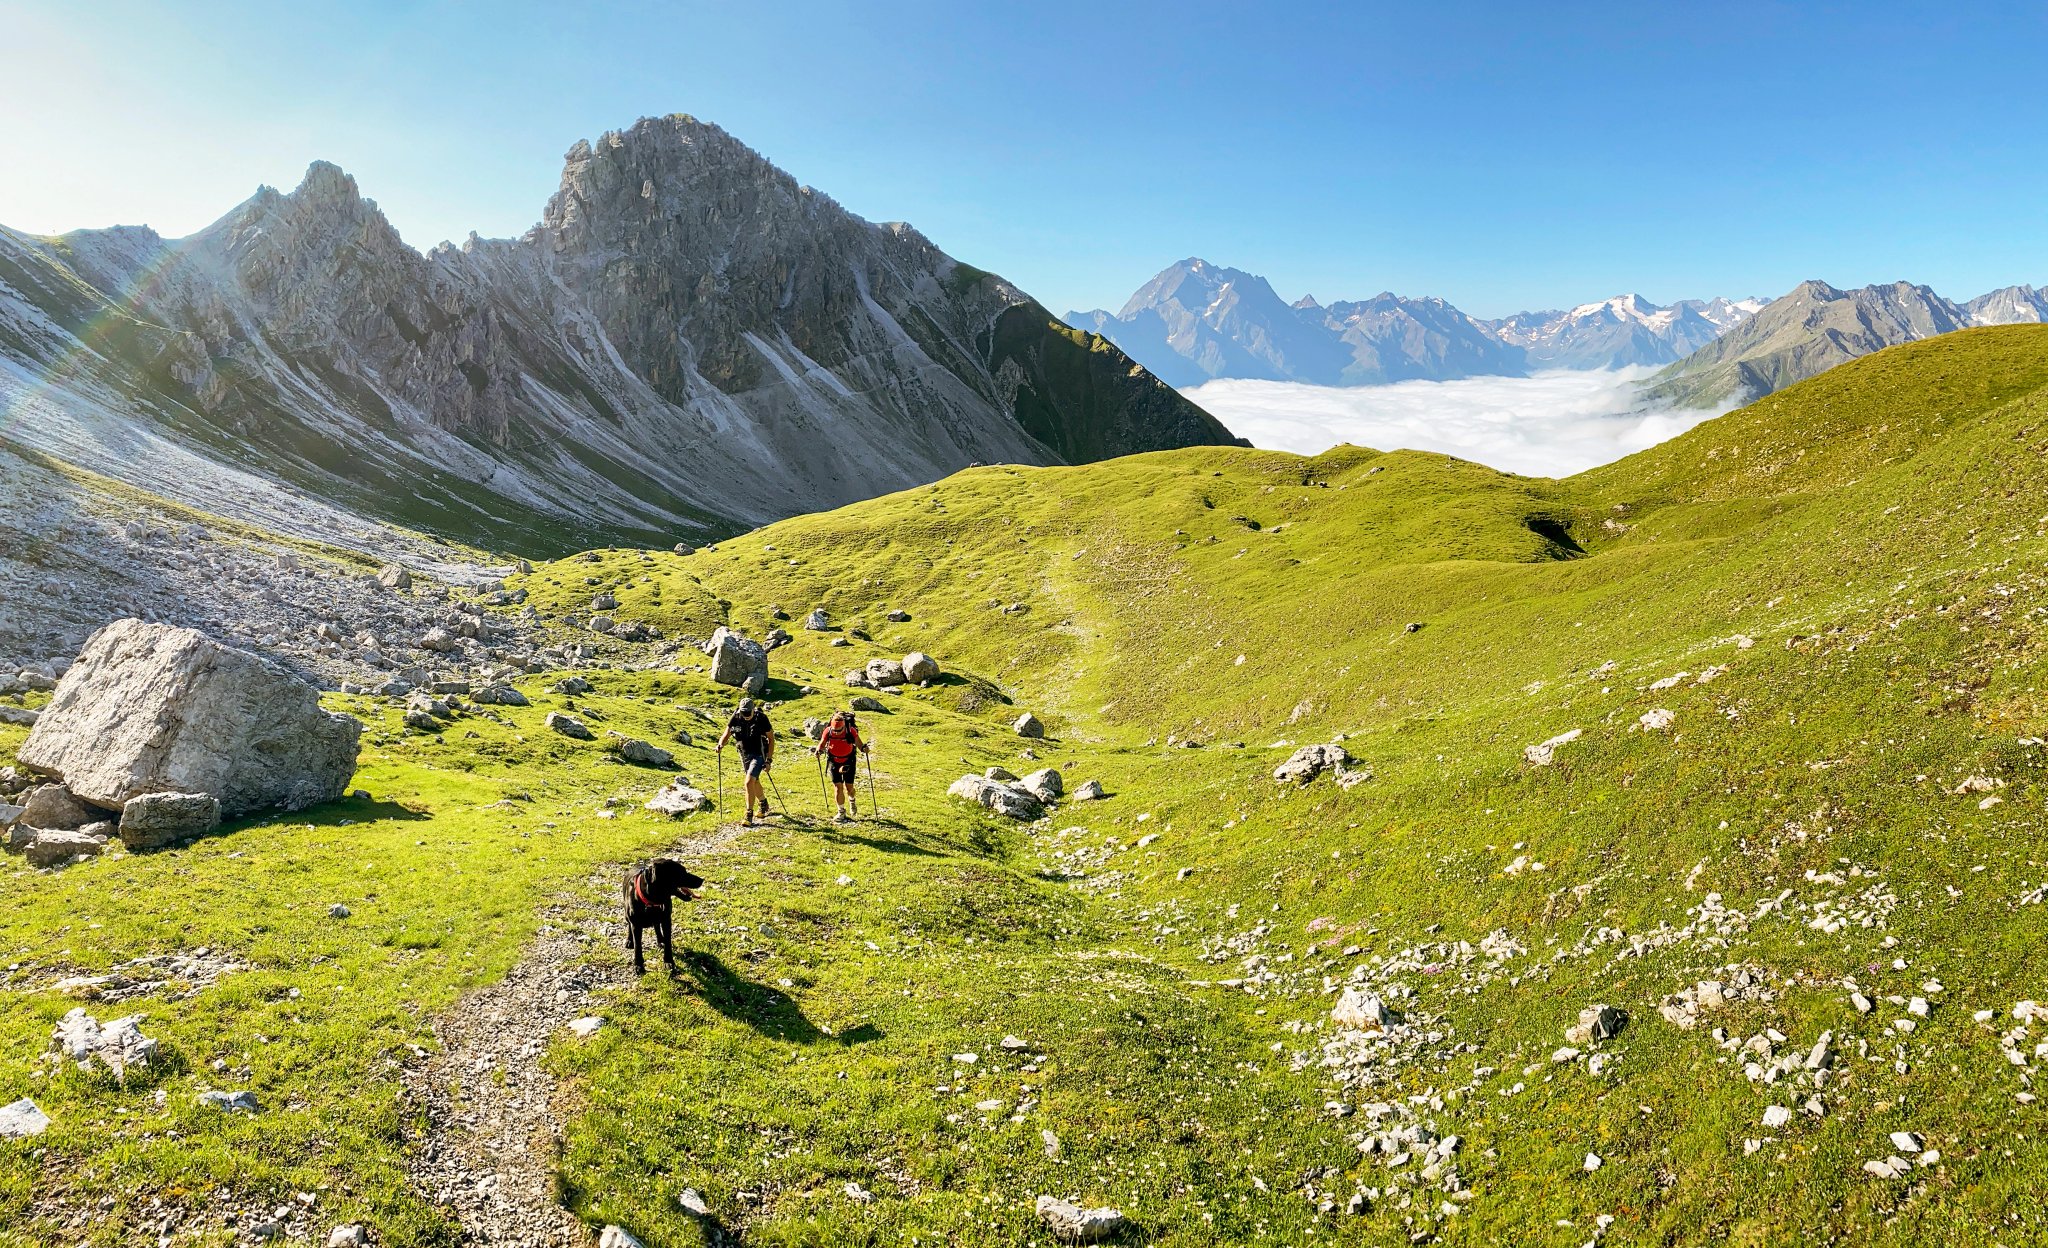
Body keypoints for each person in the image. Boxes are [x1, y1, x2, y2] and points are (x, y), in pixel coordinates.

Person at [717, 697, 776, 826]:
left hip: (759, 753)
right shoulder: (736, 717)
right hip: (744, 753)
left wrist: (769, 760)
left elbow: (771, 739)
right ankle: (763, 803)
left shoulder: (761, 718)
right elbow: (726, 734)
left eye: (748, 713)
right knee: (754, 781)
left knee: (749, 781)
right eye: (744, 713)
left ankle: (749, 813)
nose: (746, 716)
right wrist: (720, 744)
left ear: (753, 710)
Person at [814, 710, 870, 821]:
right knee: (838, 787)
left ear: (844, 726)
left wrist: (864, 748)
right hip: (834, 761)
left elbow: (859, 743)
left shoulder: (851, 731)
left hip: (849, 761)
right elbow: (822, 743)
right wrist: (818, 750)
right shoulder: (828, 731)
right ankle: (841, 812)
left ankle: (852, 800)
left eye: (839, 730)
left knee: (849, 788)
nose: (837, 732)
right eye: (835, 730)